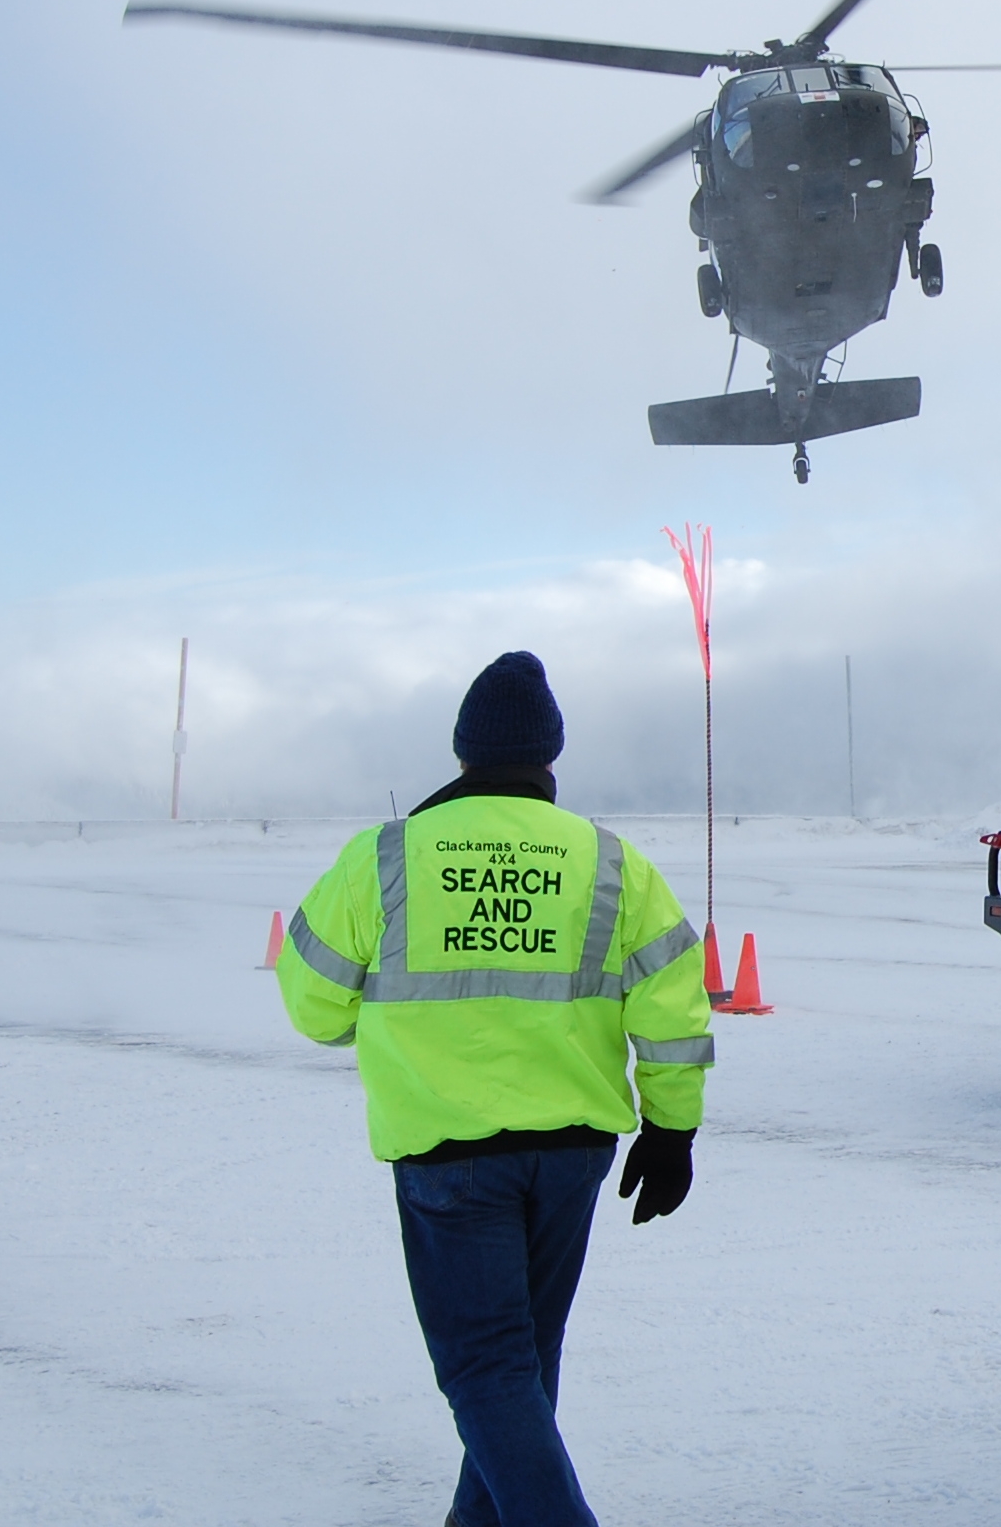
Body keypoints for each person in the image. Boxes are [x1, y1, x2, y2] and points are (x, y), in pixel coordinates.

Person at [279, 650, 712, 1527]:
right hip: (571, 1156)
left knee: (486, 1372)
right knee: (522, 1365)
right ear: (550, 753)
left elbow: (312, 1004)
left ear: (462, 749)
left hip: (450, 1157)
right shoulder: (610, 860)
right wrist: (672, 1133)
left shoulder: (389, 855)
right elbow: (672, 1003)